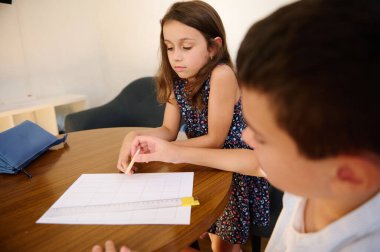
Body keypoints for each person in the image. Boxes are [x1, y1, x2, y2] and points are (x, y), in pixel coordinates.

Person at [124, 0, 380, 251]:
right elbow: (254, 161)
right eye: (170, 48)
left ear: (349, 175)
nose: (245, 135)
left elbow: (241, 154)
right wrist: (157, 144)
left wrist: (176, 151)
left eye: (263, 136)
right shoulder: (309, 190)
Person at [117, 1, 269, 251]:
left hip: (231, 169)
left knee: (222, 246)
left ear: (213, 47)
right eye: (169, 47)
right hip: (199, 162)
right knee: (190, 231)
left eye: (186, 47)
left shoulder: (222, 75)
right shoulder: (178, 80)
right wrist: (135, 135)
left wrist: (169, 151)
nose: (176, 56)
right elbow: (167, 130)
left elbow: (215, 140)